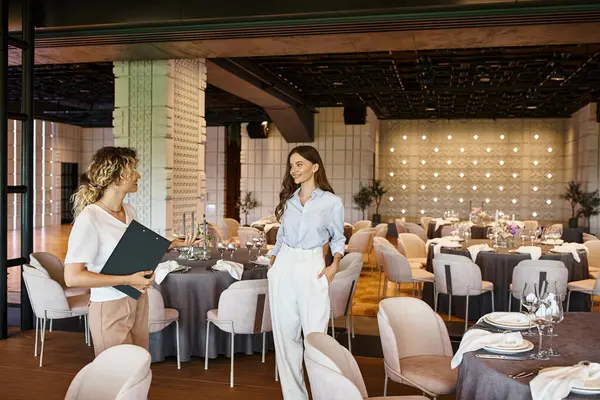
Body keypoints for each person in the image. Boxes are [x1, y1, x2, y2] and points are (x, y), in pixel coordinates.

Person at [64, 146, 194, 356]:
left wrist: (171, 244)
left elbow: (133, 251)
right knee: (115, 374)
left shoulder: (128, 211)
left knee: (138, 365)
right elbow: (72, 277)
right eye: (132, 169)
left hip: (137, 299)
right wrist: (127, 279)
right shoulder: (90, 218)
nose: (138, 175)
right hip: (108, 304)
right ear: (116, 178)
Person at [268, 145, 345, 399]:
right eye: (291, 165)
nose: (293, 170)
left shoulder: (332, 202)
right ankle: (294, 396)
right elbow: (281, 236)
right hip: (284, 266)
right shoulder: (289, 201)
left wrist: (335, 263)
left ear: (315, 166)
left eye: (299, 164)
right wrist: (274, 260)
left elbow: (338, 237)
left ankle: (324, 394)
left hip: (313, 265)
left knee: (315, 337)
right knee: (285, 336)